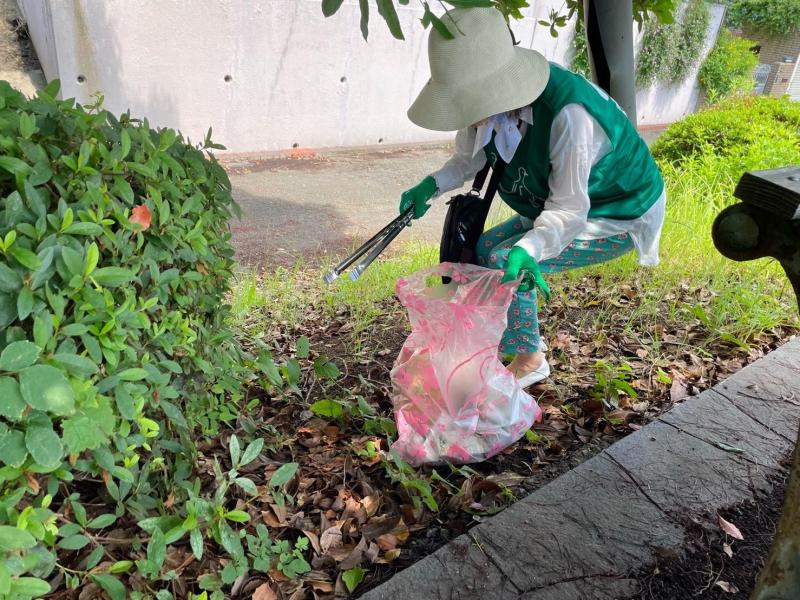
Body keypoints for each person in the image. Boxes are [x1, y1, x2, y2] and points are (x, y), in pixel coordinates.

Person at [399, 7, 666, 387]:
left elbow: (569, 209)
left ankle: (529, 356)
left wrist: (532, 248)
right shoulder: (494, 109)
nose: (465, 115)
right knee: (482, 249)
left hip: (617, 211)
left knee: (506, 260)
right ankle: (478, 337)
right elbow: (470, 158)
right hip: (554, 204)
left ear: (494, 90)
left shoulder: (570, 116)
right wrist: (432, 185)